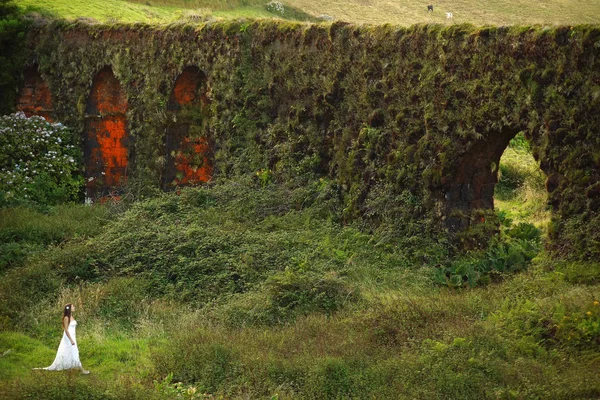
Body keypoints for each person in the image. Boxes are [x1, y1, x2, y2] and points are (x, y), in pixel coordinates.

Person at [34, 303, 90, 374]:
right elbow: (66, 330)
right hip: (68, 337)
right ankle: (81, 370)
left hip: (72, 336)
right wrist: (71, 340)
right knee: (73, 351)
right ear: (69, 308)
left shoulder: (71, 316)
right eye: (72, 306)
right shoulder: (66, 318)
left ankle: (72, 367)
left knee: (73, 352)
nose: (74, 307)